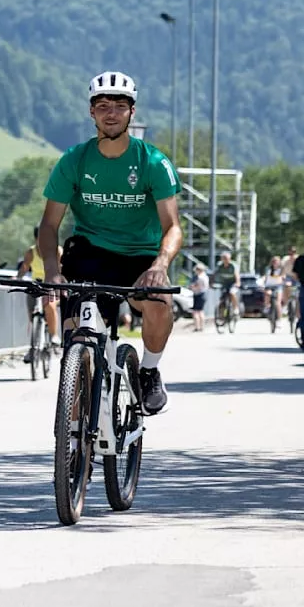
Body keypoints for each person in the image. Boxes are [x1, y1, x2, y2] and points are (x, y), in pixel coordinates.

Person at [36, 70, 181, 415]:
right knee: (77, 344)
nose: (111, 112)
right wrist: (53, 273)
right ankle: (73, 440)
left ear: (132, 112)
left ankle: (148, 371)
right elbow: (48, 225)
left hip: (140, 256)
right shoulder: (74, 160)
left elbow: (173, 227)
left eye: (119, 105)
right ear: (91, 113)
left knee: (159, 303)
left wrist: (160, 266)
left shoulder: (153, 162)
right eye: (103, 106)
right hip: (90, 254)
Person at [16, 225, 62, 362]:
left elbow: (63, 268)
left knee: (49, 305)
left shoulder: (57, 251)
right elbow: (24, 267)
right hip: (36, 284)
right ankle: (34, 344)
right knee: (31, 312)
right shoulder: (31, 252)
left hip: (53, 285)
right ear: (36, 239)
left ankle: (54, 336)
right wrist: (17, 278)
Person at [215, 251, 240, 318]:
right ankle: (221, 314)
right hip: (224, 284)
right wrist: (211, 282)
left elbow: (236, 275)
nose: (225, 260)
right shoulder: (220, 265)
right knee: (222, 298)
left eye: (226, 258)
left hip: (233, 283)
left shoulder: (233, 265)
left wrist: (238, 283)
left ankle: (235, 308)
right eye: (224, 258)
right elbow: (214, 274)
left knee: (232, 293)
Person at [190, 263, 209, 332]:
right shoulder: (206, 276)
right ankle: (202, 327)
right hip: (203, 294)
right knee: (201, 311)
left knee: (195, 312)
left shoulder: (199, 277)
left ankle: (197, 327)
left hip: (198, 294)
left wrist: (192, 287)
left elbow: (196, 286)